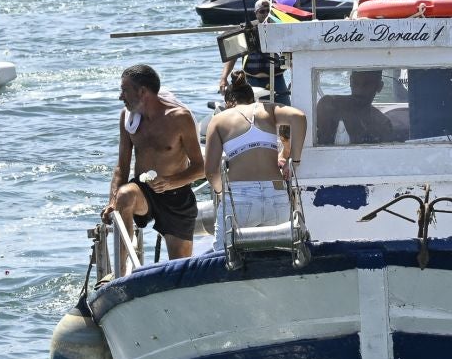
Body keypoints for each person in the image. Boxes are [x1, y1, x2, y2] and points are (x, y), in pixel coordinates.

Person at [106, 64, 205, 260]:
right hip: (143, 191)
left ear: (142, 92)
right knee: (124, 196)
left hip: (176, 195)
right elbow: (121, 168)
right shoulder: (127, 119)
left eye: (125, 90)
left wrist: (170, 182)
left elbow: (201, 168)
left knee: (180, 267)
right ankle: (122, 271)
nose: (120, 96)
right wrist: (112, 201)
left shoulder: (179, 118)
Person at [203, 77, 307, 246]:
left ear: (229, 102)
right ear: (253, 98)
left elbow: (211, 171)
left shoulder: (219, 120)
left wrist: (222, 193)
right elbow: (299, 117)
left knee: (224, 256)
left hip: (240, 197)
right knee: (279, 255)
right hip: (276, 195)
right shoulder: (268, 110)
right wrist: (293, 162)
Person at [312, 68, 394, 145]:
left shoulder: (383, 124)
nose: (359, 90)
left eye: (367, 84)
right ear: (350, 81)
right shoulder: (329, 105)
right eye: (355, 82)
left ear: (379, 86)